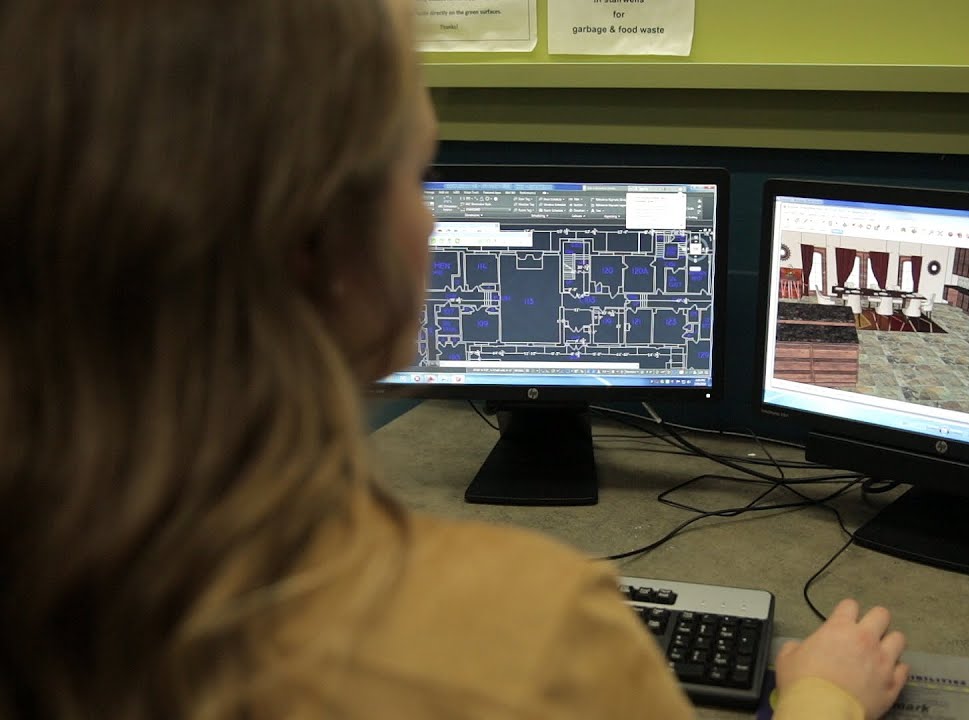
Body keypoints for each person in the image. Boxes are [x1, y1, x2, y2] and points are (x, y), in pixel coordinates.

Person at [0, 1, 908, 718]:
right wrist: (824, 698)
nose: (432, 218)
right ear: (320, 244)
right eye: (412, 169)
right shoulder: (531, 633)